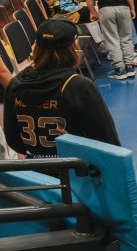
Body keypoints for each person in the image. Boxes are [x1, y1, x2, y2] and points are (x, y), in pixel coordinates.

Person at [2, 18, 120, 156]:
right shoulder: (78, 86)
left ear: (36, 47)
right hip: (76, 170)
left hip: (38, 172)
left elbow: (13, 139)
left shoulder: (15, 84)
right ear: (74, 47)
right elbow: (107, 140)